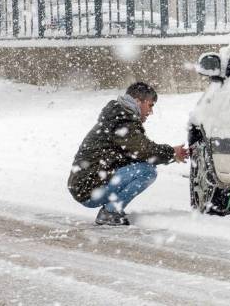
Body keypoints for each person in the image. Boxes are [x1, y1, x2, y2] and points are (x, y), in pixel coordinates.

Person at [68, 82, 187, 226]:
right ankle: (110, 213)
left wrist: (171, 155)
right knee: (146, 172)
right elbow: (144, 151)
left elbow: (137, 155)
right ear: (137, 101)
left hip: (86, 186)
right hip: (88, 189)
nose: (151, 112)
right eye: (150, 105)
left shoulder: (118, 116)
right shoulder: (122, 120)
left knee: (144, 167)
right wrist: (171, 151)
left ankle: (111, 210)